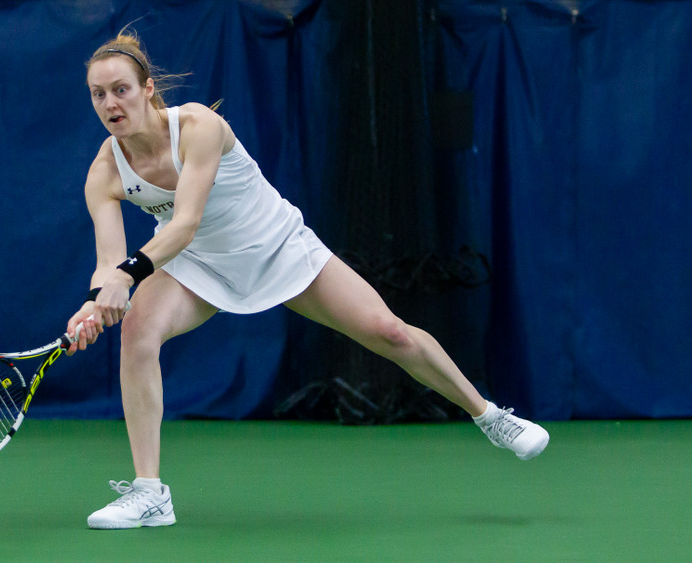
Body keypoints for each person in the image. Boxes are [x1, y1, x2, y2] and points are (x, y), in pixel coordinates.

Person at [65, 31, 549, 530]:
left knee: (390, 332)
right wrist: (95, 300)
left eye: (120, 89)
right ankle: (149, 493)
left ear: (147, 89)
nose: (110, 103)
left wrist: (126, 276)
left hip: (277, 246)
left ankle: (491, 416)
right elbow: (110, 262)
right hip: (196, 265)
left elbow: (186, 221)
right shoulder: (105, 171)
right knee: (138, 330)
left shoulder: (197, 126)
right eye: (98, 94)